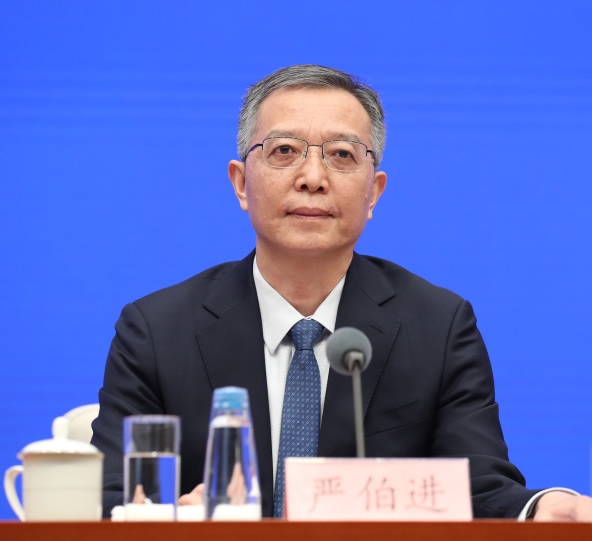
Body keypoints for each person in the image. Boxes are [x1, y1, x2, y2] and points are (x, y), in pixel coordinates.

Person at [91, 64, 592, 521]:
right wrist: (166, 518)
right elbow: (111, 496)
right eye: (284, 151)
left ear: (373, 192)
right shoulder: (157, 331)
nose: (312, 178)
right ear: (241, 183)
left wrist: (542, 508)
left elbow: (476, 488)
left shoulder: (438, 326)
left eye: (341, 155)